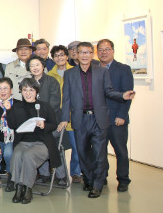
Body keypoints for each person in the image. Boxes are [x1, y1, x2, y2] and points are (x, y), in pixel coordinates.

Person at [58, 42, 135, 198]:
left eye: (88, 52)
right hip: (80, 119)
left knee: (99, 154)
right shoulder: (70, 74)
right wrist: (65, 118)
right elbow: (66, 98)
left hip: (98, 119)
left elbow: (109, 91)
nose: (85, 55)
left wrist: (122, 96)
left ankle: (97, 185)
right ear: (77, 55)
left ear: (92, 54)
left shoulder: (102, 72)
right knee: (83, 153)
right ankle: (88, 179)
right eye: (82, 52)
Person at [6, 78, 61, 204]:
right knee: (17, 155)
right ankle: (18, 188)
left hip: (42, 143)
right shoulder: (17, 107)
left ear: (36, 91)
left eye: (31, 90)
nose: (28, 93)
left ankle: (27, 188)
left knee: (28, 155)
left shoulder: (45, 106)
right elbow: (12, 125)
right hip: (23, 142)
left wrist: (44, 125)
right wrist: (9, 111)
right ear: (21, 92)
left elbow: (53, 125)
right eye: (25, 90)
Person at [97, 39, 134, 192]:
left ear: (112, 51)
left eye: (107, 49)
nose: (104, 52)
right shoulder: (94, 68)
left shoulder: (123, 69)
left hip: (116, 118)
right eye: (101, 49)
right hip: (99, 118)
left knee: (120, 150)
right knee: (100, 150)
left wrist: (122, 115)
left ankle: (123, 179)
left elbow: (128, 94)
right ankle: (102, 176)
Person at [27, 55, 66, 185]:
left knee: (53, 145)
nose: (35, 68)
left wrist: (42, 119)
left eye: (37, 65)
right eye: (32, 66)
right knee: (38, 144)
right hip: (34, 123)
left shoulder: (51, 81)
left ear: (43, 66)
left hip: (51, 122)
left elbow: (55, 103)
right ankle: (44, 174)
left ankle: (61, 175)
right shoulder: (28, 82)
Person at [47, 45, 82, 183]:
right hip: (56, 114)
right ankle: (60, 174)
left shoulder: (76, 71)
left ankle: (76, 172)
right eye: (56, 56)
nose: (59, 58)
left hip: (72, 113)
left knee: (76, 145)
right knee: (58, 145)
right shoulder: (50, 75)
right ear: (53, 58)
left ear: (67, 56)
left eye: (62, 55)